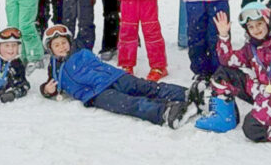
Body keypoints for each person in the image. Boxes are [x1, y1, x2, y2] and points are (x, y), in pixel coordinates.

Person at [40, 26, 196, 129]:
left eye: (63, 42)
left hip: (114, 77)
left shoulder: (80, 50)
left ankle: (187, 94)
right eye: (57, 45)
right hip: (96, 95)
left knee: (146, 87)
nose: (62, 47)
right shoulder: (55, 69)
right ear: (50, 49)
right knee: (129, 104)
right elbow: (48, 85)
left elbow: (86, 30)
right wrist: (47, 90)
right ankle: (165, 111)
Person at [195, 0, 271, 144]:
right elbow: (227, 60)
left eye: (259, 24)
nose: (256, 29)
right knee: (222, 74)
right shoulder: (250, 47)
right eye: (251, 27)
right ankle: (225, 119)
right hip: (260, 90)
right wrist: (224, 36)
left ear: (268, 22)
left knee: (251, 128)